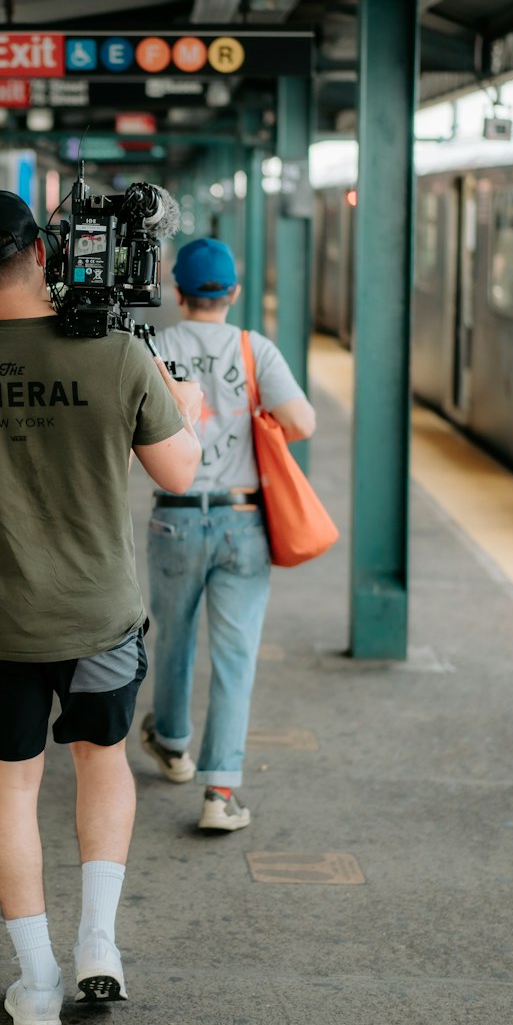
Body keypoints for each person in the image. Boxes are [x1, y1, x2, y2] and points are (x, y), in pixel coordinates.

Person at [0, 189, 203, 1025]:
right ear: (44, 253)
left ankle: (36, 985)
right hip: (100, 616)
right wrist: (180, 398)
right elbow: (178, 472)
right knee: (102, 761)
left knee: (11, 788)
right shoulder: (117, 356)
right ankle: (98, 946)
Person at [140, 237, 316, 831]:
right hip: (244, 522)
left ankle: (172, 743)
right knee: (236, 656)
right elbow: (303, 421)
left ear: (177, 291)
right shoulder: (253, 348)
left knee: (173, 639)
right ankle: (220, 794)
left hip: (176, 515)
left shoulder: (157, 347)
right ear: (234, 292)